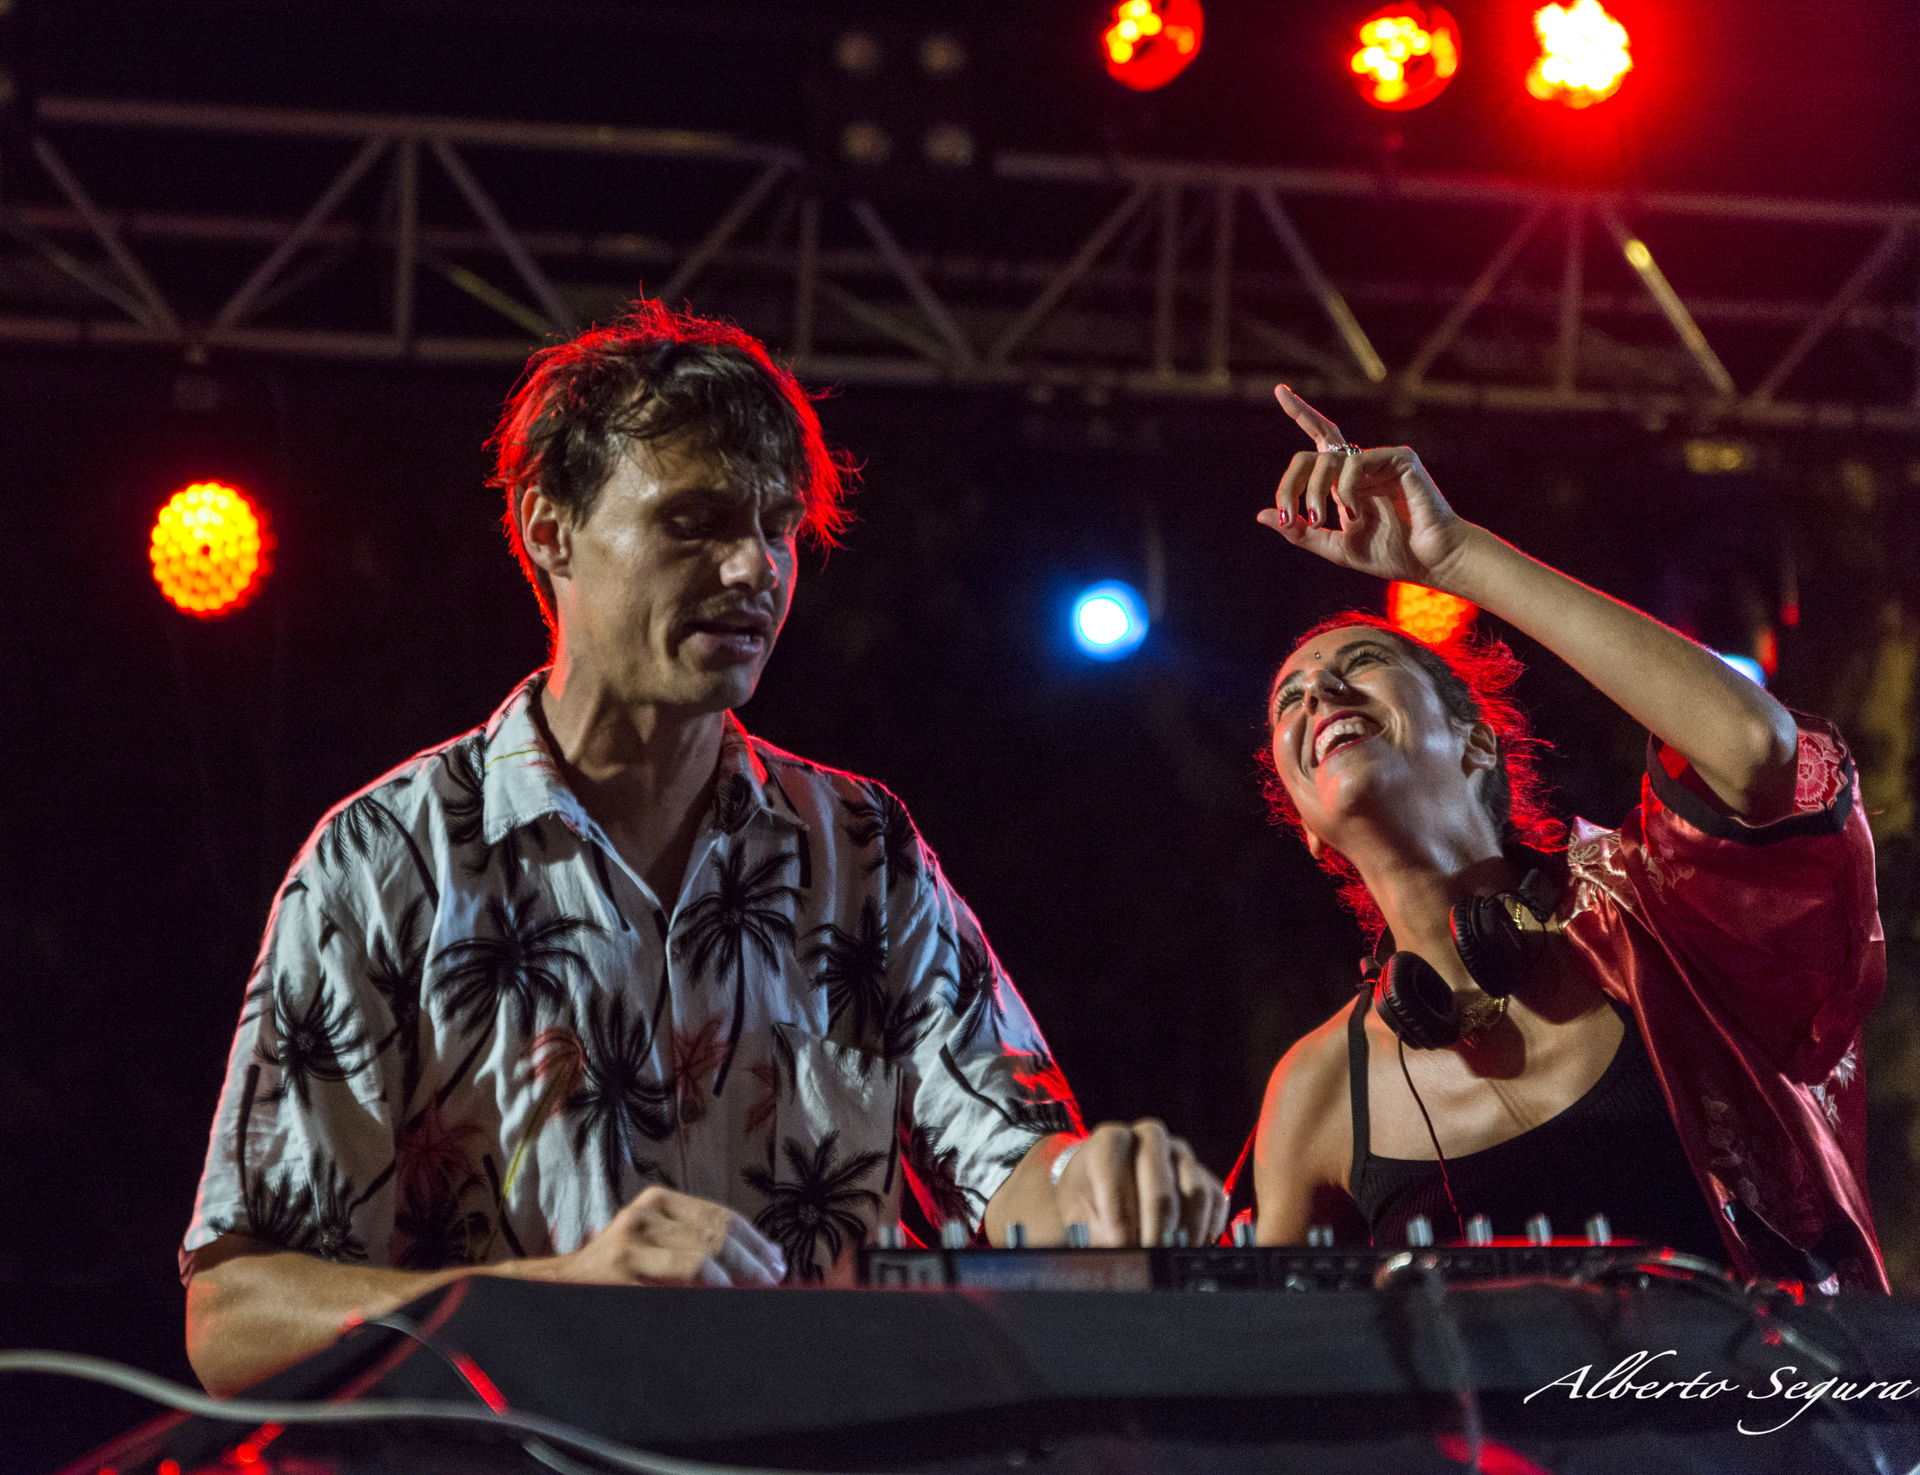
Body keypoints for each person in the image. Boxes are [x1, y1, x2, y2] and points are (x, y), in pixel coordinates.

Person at [183, 301, 1227, 1397]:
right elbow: (234, 1314)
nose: (754, 567)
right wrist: (554, 1292)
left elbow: (1016, 1172)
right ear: (549, 529)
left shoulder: (864, 848)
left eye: (778, 525)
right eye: (695, 520)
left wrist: (1101, 1186)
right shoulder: (380, 860)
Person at [1251, 385, 1887, 1292]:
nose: (1319, 694)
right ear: (1309, 828)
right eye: (1291, 697)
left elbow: (1755, 748)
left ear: (1477, 741)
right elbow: (1271, 1357)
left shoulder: (1657, 918)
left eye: (1363, 664)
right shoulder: (1312, 1093)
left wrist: (1458, 556)